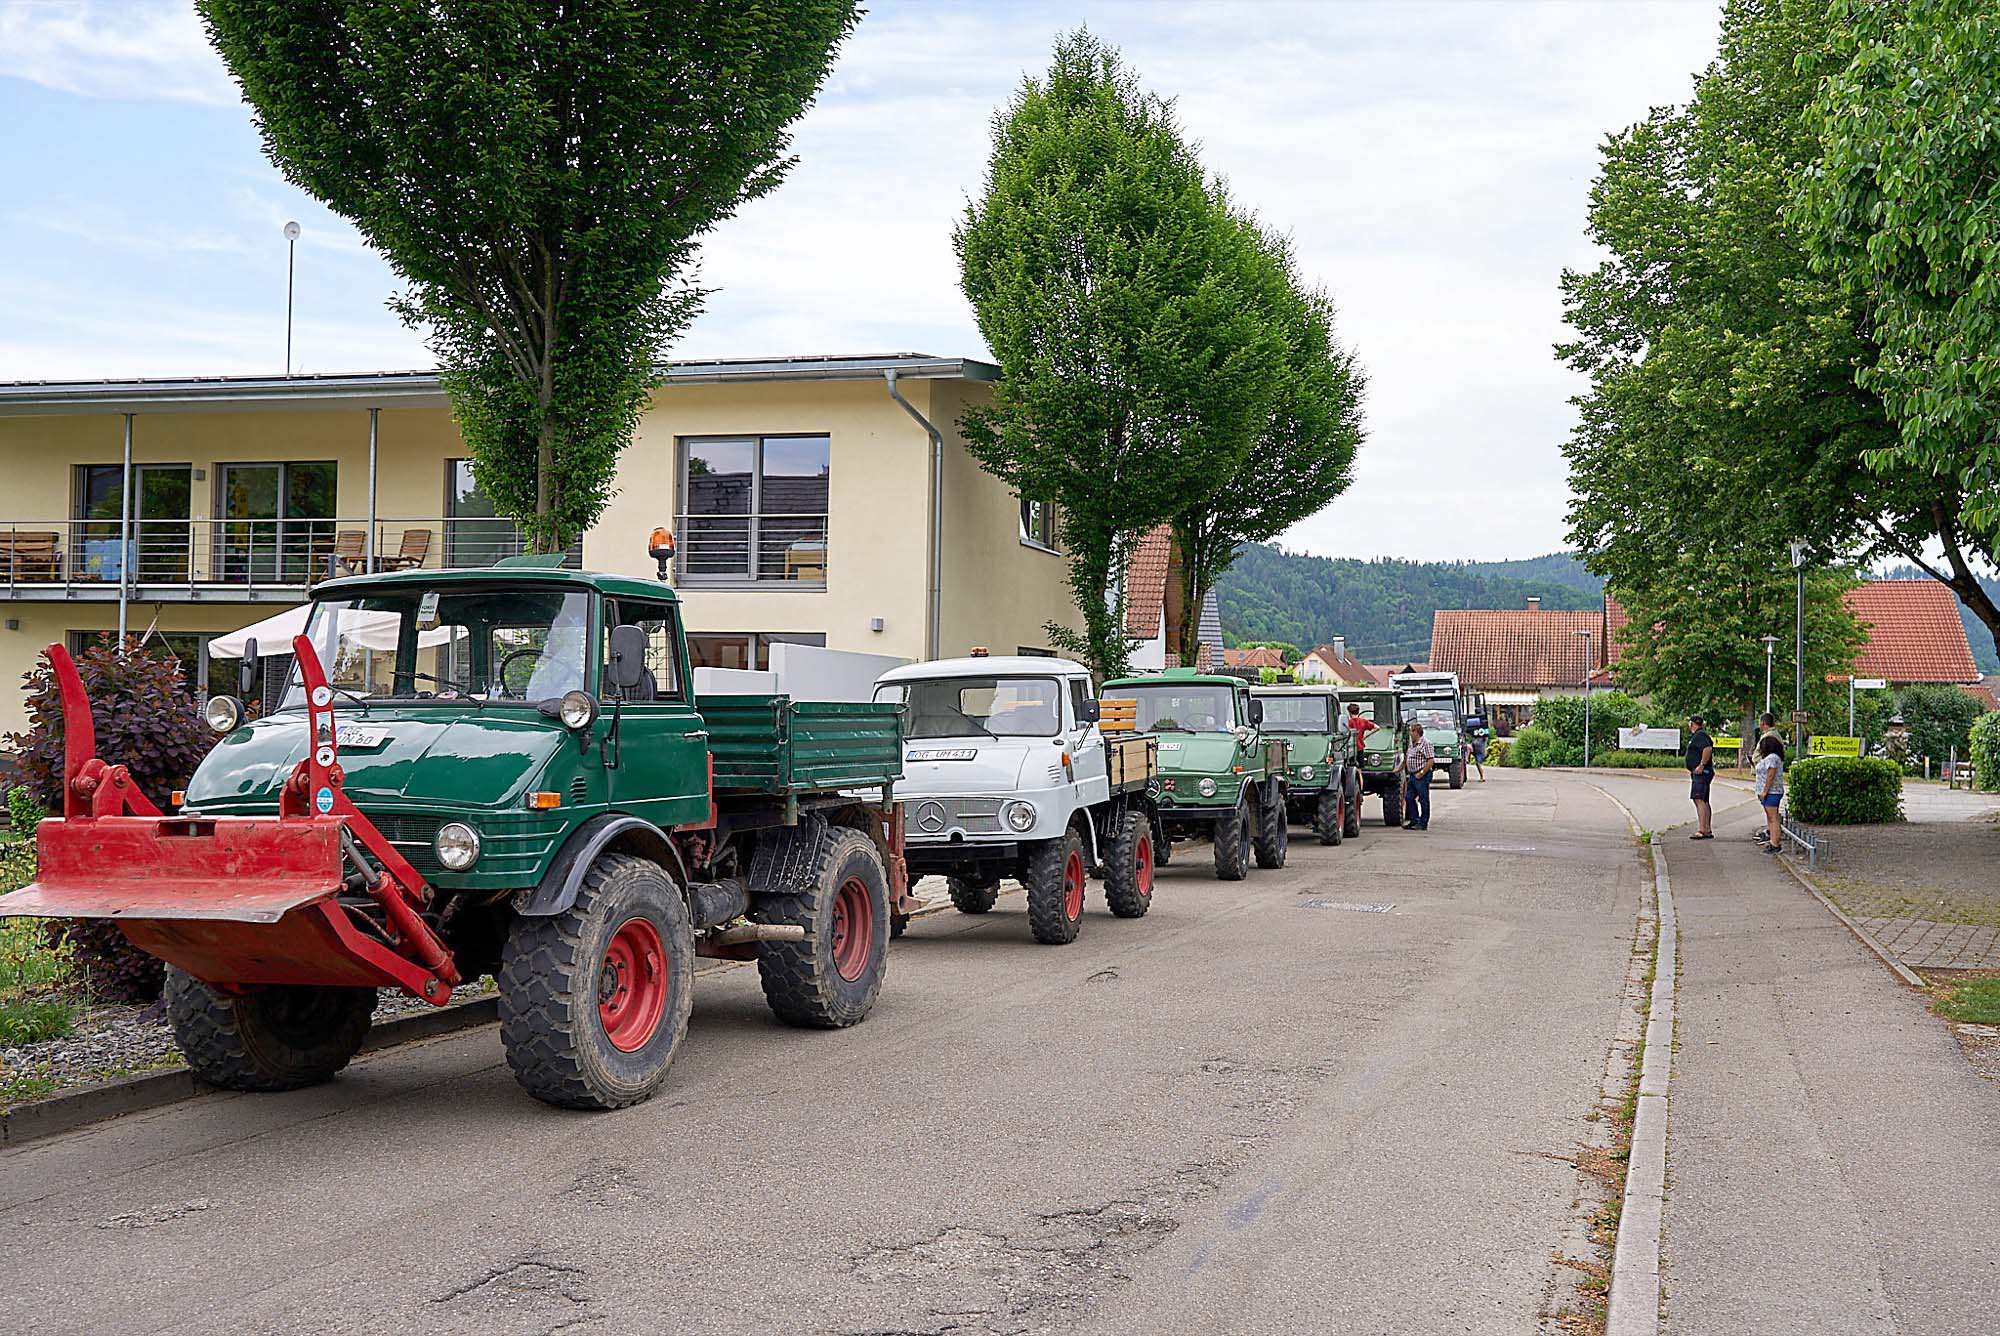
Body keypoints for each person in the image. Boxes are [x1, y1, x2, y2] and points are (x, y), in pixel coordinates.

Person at [1754, 734, 1786, 854]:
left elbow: (1771, 775)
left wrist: (1764, 791)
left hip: (1771, 792)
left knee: (1773, 819)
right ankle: (1773, 841)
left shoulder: (1772, 758)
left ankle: (1775, 844)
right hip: (1771, 792)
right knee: (1772, 818)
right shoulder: (1773, 757)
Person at [1400, 720, 1435, 831]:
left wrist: (1421, 773)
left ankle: (1423, 822)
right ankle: (1414, 820)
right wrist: (1398, 769)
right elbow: (1406, 759)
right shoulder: (1412, 744)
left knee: (1423, 799)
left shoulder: (1425, 744)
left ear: (1417, 732)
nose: (1410, 734)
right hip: (1412, 775)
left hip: (1421, 775)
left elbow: (1430, 760)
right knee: (1409, 798)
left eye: (1411, 732)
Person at [1686, 714, 1715, 839]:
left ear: (1691, 724)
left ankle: (1702, 830)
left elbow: (1707, 749)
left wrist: (1701, 765)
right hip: (1701, 772)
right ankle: (1707, 829)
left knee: (1699, 799)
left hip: (1701, 773)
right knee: (1704, 799)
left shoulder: (1700, 735)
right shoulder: (1699, 735)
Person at [1467, 713, 1488, 781]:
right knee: (1468, 747)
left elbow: (1486, 736)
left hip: (1480, 751)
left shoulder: (1483, 738)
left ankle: (1482, 777)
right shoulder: (1475, 735)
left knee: (1478, 764)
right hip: (1474, 749)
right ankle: (1467, 758)